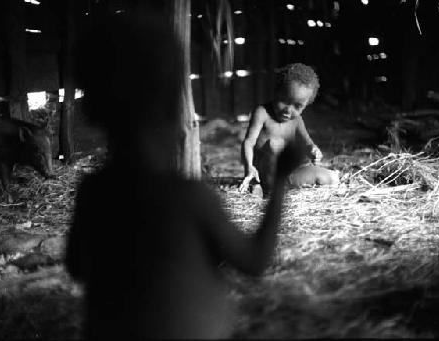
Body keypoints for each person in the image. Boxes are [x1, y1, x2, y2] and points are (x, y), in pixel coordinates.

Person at [65, 9, 302, 339]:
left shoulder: (93, 192)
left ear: (91, 111)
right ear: (173, 109)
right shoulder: (189, 197)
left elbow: (76, 266)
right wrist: (280, 188)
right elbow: (255, 260)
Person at [239, 63, 338, 196]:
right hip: (263, 177)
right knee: (274, 145)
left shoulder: (296, 121)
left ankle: (289, 190)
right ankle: (262, 189)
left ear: (305, 106)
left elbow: (308, 144)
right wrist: (249, 167)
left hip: (288, 177)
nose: (288, 110)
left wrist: (314, 150)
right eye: (284, 101)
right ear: (276, 92)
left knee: (329, 178)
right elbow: (248, 142)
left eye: (297, 106)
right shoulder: (262, 113)